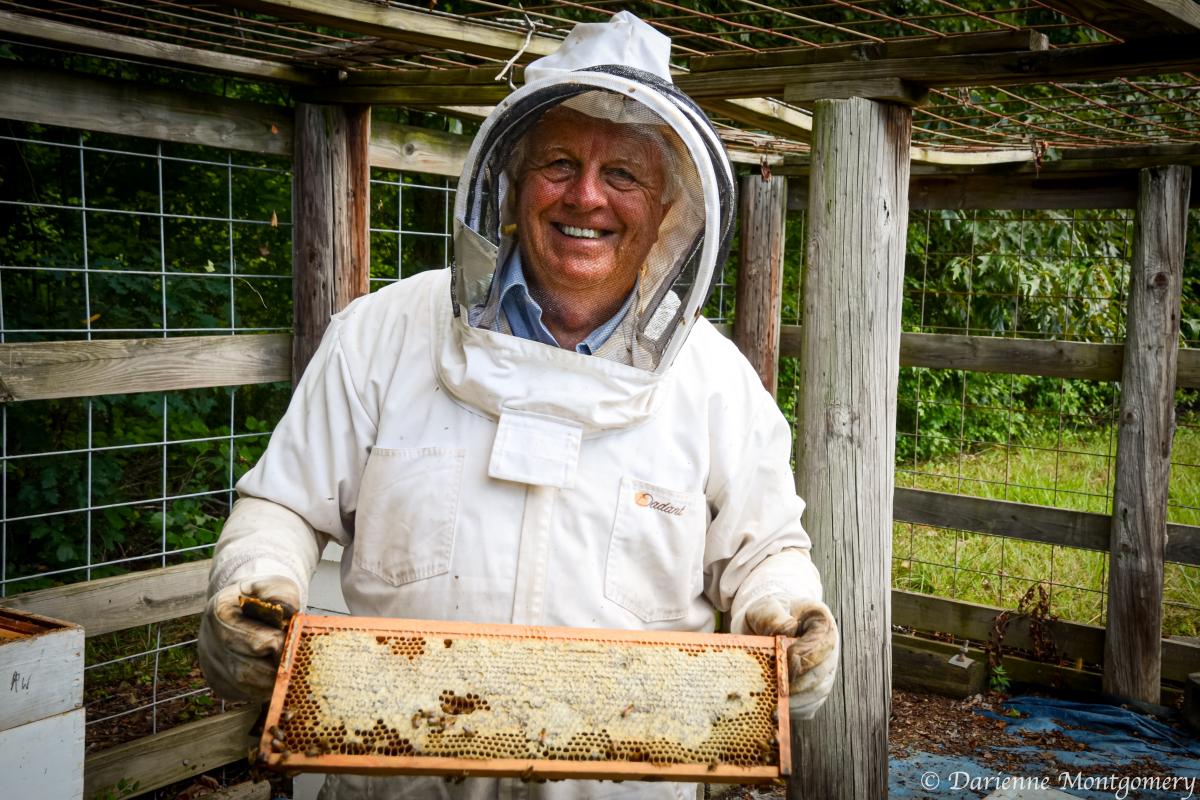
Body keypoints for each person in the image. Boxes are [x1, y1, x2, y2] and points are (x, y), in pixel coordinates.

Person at [198, 11, 839, 800]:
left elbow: (764, 550)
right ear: (511, 181)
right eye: (559, 163)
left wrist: (785, 614)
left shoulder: (717, 383)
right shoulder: (379, 334)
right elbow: (285, 506)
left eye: (624, 175)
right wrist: (257, 584)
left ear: (668, 212)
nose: (586, 196)